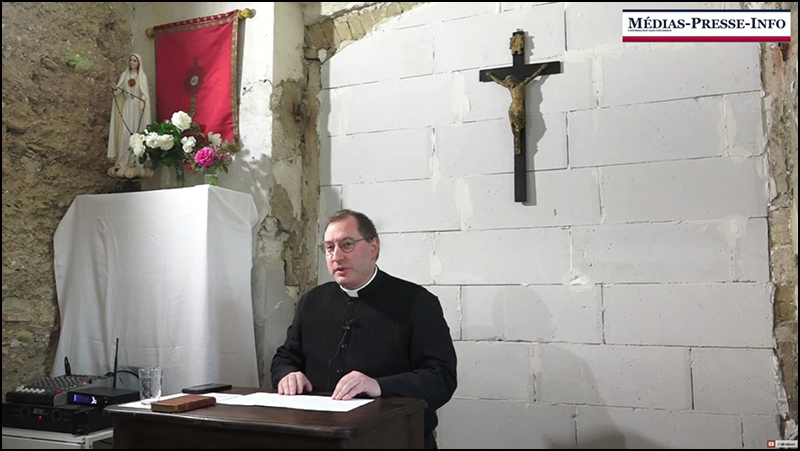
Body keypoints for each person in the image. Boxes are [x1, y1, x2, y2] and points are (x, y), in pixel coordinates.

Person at [271, 209, 457, 449]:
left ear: (373, 248)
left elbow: (441, 377)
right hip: (319, 437)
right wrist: (287, 374)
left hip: (394, 439)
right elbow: (285, 357)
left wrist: (378, 386)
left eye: (346, 244)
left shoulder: (417, 302)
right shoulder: (312, 301)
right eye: (329, 248)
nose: (336, 256)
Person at [487, 62, 548, 157]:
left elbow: (532, 77)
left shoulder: (521, 86)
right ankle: (517, 143)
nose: (509, 85)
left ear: (513, 81)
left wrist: (541, 69)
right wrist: (491, 76)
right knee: (514, 127)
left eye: (510, 83)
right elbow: (499, 82)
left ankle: (519, 142)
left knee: (519, 126)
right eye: (508, 84)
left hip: (519, 108)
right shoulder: (510, 88)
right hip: (512, 108)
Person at [107, 53, 152, 179]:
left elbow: (144, 93)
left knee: (137, 132)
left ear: (139, 63)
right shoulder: (124, 75)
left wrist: (143, 101)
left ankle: (136, 160)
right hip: (128, 106)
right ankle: (123, 160)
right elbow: (118, 92)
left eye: (135, 61)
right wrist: (115, 88)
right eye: (131, 60)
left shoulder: (142, 76)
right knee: (125, 133)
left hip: (137, 107)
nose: (132, 62)